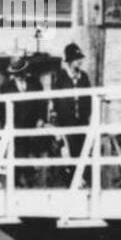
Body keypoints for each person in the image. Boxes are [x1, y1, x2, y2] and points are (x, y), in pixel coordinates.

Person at [50, 42, 93, 185]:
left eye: (80, 59)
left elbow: (89, 99)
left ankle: (83, 179)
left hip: (82, 121)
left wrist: (89, 117)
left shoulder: (84, 77)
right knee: (69, 152)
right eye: (76, 59)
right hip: (66, 122)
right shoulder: (60, 77)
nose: (80, 62)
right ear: (69, 61)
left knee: (84, 151)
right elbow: (54, 101)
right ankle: (72, 181)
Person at [0, 55, 47, 186]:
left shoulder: (35, 83)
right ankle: (23, 180)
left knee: (36, 151)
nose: (19, 75)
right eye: (16, 73)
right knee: (17, 155)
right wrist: (5, 127)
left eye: (21, 72)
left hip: (33, 126)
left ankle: (33, 180)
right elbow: (2, 110)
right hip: (16, 127)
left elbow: (42, 102)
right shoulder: (6, 87)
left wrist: (42, 118)